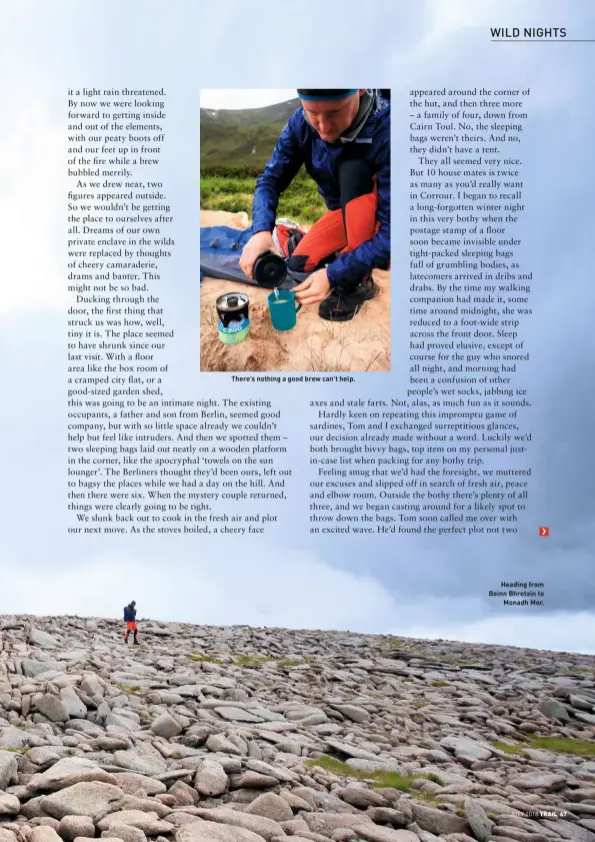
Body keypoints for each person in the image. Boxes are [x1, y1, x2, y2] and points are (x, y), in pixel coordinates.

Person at [240, 89, 390, 321]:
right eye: (312, 112)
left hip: (383, 218)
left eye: (334, 112)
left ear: (360, 89)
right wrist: (260, 231)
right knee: (299, 265)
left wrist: (332, 275)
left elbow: (393, 235)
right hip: (342, 214)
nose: (323, 127)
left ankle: (360, 282)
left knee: (354, 170)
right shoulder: (300, 125)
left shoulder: (387, 127)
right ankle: (343, 254)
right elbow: (269, 181)